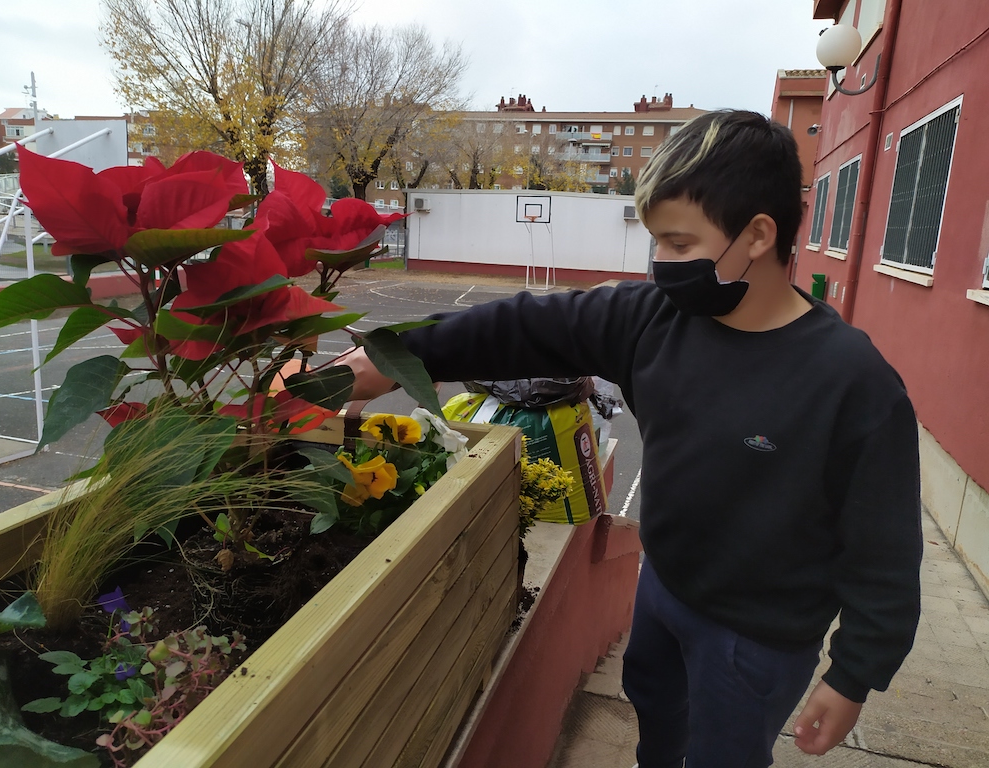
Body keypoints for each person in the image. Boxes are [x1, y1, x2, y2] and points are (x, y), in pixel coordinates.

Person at [341, 110, 922, 768]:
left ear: (759, 235)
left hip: (757, 639)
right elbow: (521, 326)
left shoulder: (851, 381)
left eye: (679, 243)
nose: (660, 264)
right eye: (656, 242)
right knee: (656, 724)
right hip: (662, 591)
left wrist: (854, 675)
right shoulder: (654, 320)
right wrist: (392, 358)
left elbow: (886, 550)